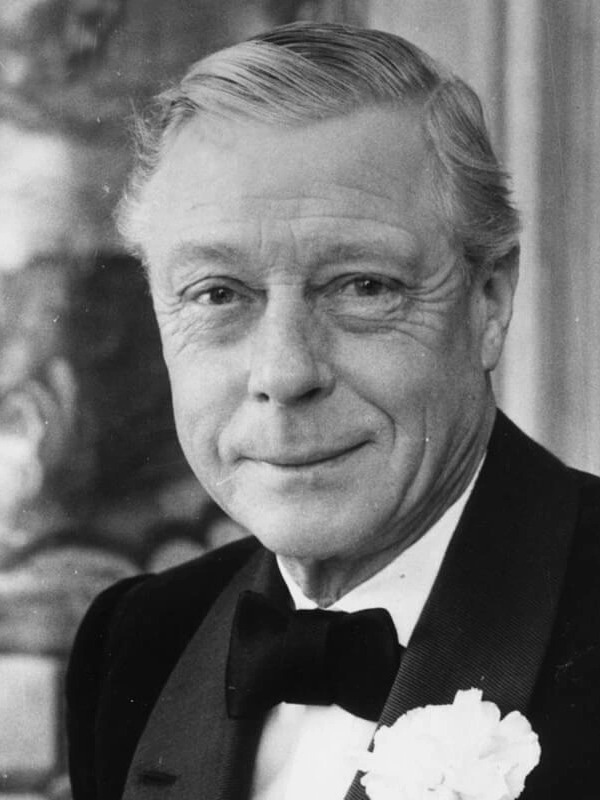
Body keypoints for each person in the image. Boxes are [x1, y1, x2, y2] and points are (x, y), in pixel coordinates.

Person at [65, 22, 600, 800]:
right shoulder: (138, 639)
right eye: (218, 294)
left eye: (364, 286)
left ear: (489, 301)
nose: (284, 373)